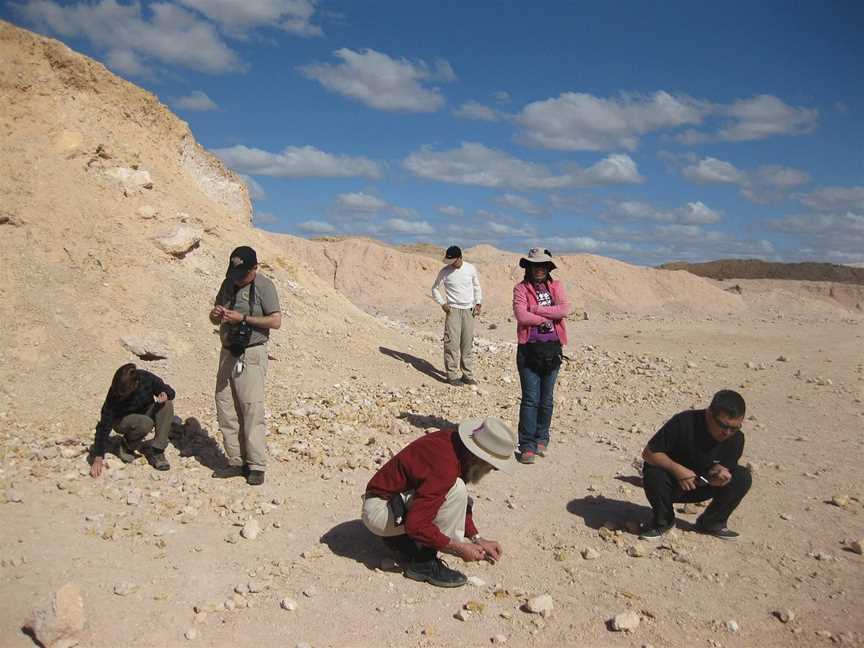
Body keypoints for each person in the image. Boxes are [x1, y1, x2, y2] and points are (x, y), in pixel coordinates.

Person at [361, 416, 517, 588]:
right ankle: (424, 565)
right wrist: (458, 548)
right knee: (456, 489)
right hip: (380, 511)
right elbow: (416, 524)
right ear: (478, 457)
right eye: (492, 465)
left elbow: (449, 501)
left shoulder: (454, 445)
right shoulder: (445, 464)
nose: (493, 469)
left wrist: (476, 538)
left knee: (455, 491)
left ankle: (400, 540)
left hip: (389, 504)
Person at [209, 246, 281, 486]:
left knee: (251, 409)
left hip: (251, 353)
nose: (238, 279)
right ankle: (236, 460)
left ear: (254, 268)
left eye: (242, 274)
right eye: (234, 274)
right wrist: (217, 314)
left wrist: (243, 319)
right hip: (228, 351)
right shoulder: (228, 283)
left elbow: (275, 320)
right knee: (226, 405)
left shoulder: (264, 286)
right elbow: (212, 316)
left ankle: (257, 465)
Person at [639, 389, 753, 540]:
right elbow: (649, 453)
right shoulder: (684, 422)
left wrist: (720, 475)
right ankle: (663, 521)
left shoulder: (736, 439)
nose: (727, 432)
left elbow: (725, 467)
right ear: (709, 414)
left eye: (734, 427)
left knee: (742, 477)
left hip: (703, 484)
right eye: (722, 425)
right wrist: (678, 470)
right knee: (654, 473)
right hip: (671, 485)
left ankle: (712, 522)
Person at [512, 248, 571, 464]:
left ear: (548, 268)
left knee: (546, 400)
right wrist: (544, 318)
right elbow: (521, 314)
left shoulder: (556, 286)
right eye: (535, 265)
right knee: (530, 399)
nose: (539, 269)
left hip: (552, 349)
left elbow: (564, 310)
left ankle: (542, 438)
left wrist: (535, 309)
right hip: (529, 350)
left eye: (543, 265)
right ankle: (526, 445)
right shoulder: (520, 288)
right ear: (528, 267)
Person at [90, 363, 175, 476]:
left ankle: (158, 451)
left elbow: (169, 391)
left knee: (167, 404)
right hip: (122, 421)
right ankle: (127, 445)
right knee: (145, 423)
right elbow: (104, 425)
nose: (122, 395)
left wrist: (165, 394)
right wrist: (98, 456)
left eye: (125, 392)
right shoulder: (115, 392)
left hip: (145, 413)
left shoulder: (146, 378)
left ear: (136, 383)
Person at [431, 245, 482, 386]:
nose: (451, 263)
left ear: (460, 258)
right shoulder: (445, 272)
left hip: (469, 310)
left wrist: (478, 303)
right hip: (452, 310)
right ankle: (452, 375)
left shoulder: (470, 269)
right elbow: (435, 288)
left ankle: (467, 375)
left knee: (467, 344)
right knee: (451, 344)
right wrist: (442, 304)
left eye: (453, 260)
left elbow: (476, 286)